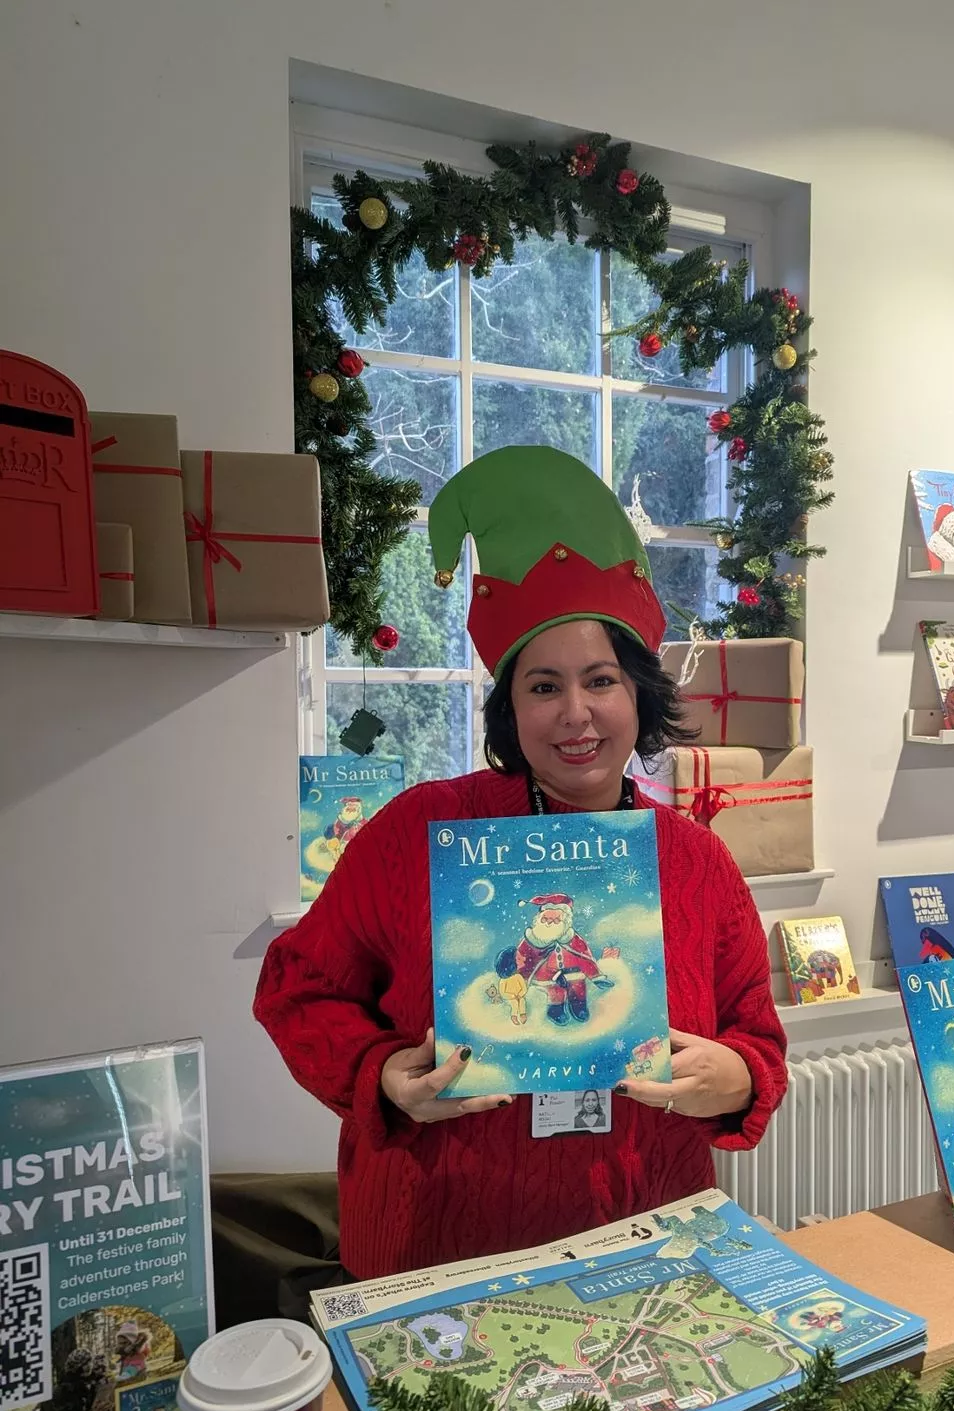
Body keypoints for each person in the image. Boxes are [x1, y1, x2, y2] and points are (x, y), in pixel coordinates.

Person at [254, 445, 789, 1280]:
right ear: (509, 706)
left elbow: (757, 1035)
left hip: (643, 1237)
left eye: (601, 680)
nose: (576, 713)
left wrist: (739, 1078)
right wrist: (384, 1074)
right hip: (438, 1243)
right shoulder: (424, 830)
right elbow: (297, 987)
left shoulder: (695, 859)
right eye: (543, 686)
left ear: (638, 693)